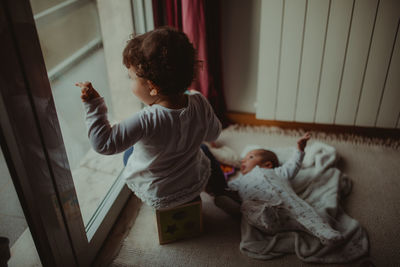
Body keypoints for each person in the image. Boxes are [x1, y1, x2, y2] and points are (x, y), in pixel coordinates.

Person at [76, 26, 222, 210]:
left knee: (129, 154)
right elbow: (214, 134)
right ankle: (221, 190)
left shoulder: (146, 121)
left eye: (131, 78)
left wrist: (94, 105)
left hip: (161, 192)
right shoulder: (199, 101)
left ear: (152, 86)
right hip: (193, 182)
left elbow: (104, 144)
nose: (130, 83)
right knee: (203, 149)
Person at [221, 133, 343, 245]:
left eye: (250, 157)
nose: (244, 160)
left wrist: (300, 150)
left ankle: (326, 233)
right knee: (247, 206)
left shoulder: (278, 172)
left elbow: (292, 165)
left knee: (307, 212)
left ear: (267, 164)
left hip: (289, 207)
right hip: (263, 212)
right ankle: (265, 217)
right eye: (244, 159)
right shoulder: (240, 181)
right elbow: (228, 189)